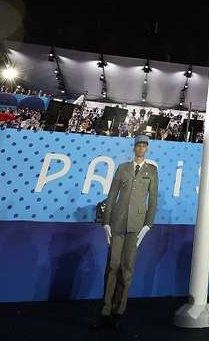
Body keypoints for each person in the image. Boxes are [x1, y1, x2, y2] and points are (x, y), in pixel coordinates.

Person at [92, 133, 159, 330]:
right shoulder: (122, 168)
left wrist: (148, 224)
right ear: (134, 147)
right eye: (138, 145)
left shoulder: (152, 171)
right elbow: (112, 195)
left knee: (127, 269)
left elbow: (153, 198)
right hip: (118, 223)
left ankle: (118, 313)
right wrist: (106, 221)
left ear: (147, 148)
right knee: (112, 267)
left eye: (144, 145)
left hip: (136, 225)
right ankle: (105, 311)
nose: (141, 148)